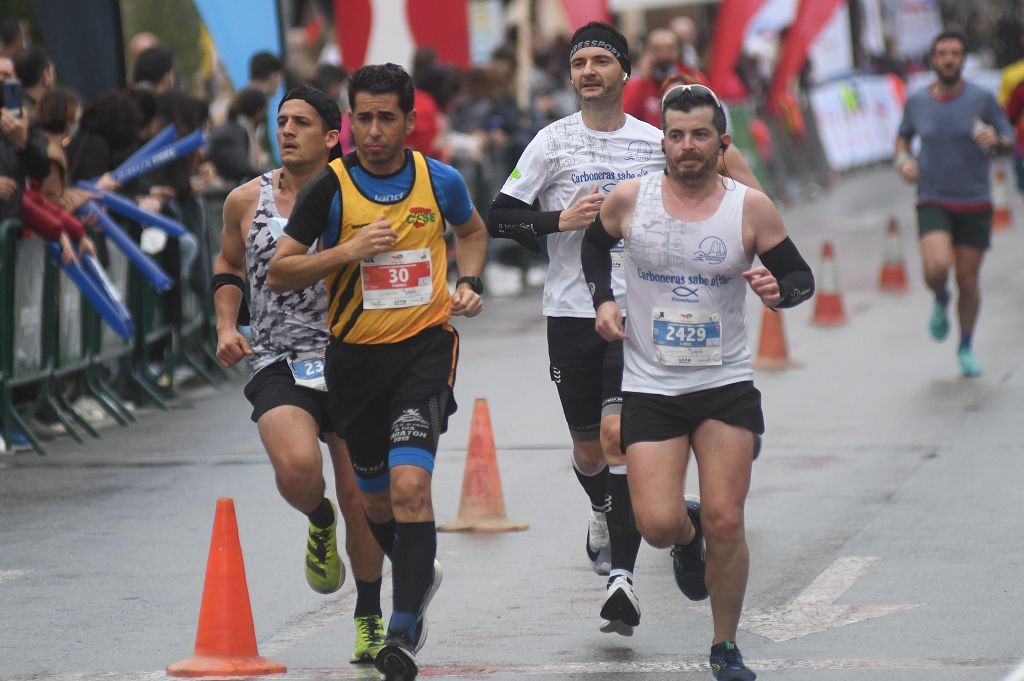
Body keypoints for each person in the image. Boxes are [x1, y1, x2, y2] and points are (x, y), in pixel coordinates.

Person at [581, 82, 813, 681]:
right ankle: (686, 538)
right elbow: (593, 243)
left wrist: (777, 290)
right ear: (664, 139)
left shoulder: (749, 208)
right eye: (677, 135)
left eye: (700, 135)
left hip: (725, 387)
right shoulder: (632, 200)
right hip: (651, 385)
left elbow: (799, 276)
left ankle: (725, 646)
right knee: (657, 525)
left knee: (727, 520)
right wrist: (604, 300)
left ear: (721, 141)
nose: (687, 147)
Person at [267, 63, 487, 681]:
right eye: (362, 117)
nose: (373, 130)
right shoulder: (330, 189)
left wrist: (467, 281)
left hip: (423, 351)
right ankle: (421, 575)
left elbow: (472, 232)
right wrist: (346, 253)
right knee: (374, 503)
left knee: (411, 486)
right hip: (354, 362)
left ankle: (403, 629)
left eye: (386, 117)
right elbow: (280, 271)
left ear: (410, 121)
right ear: (350, 121)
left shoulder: (437, 179)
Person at [212, 86, 386, 665]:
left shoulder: (361, 194)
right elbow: (229, 263)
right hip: (278, 357)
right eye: (281, 121)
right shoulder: (246, 199)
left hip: (354, 353)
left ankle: (368, 617)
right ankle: (317, 518)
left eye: (302, 123)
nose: (287, 131)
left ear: (333, 136)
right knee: (296, 469)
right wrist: (226, 326)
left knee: (361, 493)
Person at [894, 30, 1014, 377]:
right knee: (935, 269)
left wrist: (998, 140)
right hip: (932, 197)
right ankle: (940, 298)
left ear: (963, 59)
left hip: (975, 200)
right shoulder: (917, 102)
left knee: (967, 279)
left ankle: (965, 346)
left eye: (955, 53)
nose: (949, 59)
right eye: (942, 53)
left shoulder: (982, 99)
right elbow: (903, 136)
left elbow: (1008, 136)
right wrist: (903, 161)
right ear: (933, 59)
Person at [207, 87, 268, 185]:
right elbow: (242, 168)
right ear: (259, 112)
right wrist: (271, 177)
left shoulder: (238, 129)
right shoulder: (231, 133)